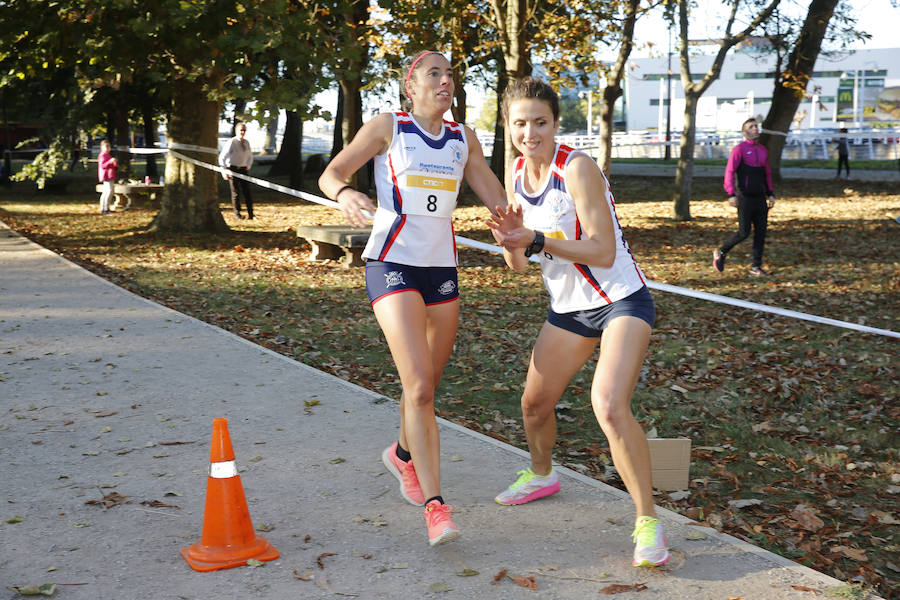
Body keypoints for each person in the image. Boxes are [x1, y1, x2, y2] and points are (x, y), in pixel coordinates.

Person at [317, 51, 506, 546]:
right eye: (434, 74)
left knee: (427, 385)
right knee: (419, 387)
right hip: (392, 264)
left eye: (450, 74)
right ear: (410, 85)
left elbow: (491, 188)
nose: (446, 81)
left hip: (441, 270)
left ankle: (402, 453)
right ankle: (436, 508)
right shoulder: (388, 127)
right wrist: (345, 194)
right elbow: (331, 173)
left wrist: (513, 220)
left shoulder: (463, 138)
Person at [486, 77, 668, 568]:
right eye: (520, 123)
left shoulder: (578, 168)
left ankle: (648, 522)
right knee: (533, 405)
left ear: (555, 123)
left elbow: (603, 249)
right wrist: (512, 242)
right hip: (570, 309)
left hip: (621, 301)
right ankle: (543, 474)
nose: (530, 133)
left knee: (608, 406)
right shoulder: (518, 173)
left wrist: (538, 239)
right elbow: (521, 263)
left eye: (540, 122)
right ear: (509, 126)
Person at [712, 117, 775, 277]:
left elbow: (767, 174)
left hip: (760, 198)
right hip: (744, 197)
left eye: (756, 126)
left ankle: (756, 267)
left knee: (761, 233)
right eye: (751, 126)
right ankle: (721, 251)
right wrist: (731, 193)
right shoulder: (739, 150)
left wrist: (771, 194)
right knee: (743, 232)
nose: (755, 129)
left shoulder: (763, 150)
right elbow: (729, 171)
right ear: (744, 132)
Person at [218, 122, 255, 219]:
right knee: (236, 192)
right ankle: (237, 213)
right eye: (240, 130)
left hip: (243, 169)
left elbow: (250, 156)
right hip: (232, 169)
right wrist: (224, 170)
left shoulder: (246, 142)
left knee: (247, 192)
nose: (242, 132)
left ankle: (251, 213)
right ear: (236, 131)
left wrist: (248, 165)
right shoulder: (231, 142)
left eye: (244, 130)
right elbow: (222, 157)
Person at [97, 140, 118, 214]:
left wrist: (115, 163)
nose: (108, 148)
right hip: (107, 176)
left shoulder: (107, 155)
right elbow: (103, 165)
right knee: (108, 191)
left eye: (109, 146)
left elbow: (112, 165)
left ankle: (104, 208)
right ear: (102, 147)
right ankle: (105, 208)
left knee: (107, 191)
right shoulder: (103, 155)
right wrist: (110, 161)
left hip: (110, 175)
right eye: (106, 146)